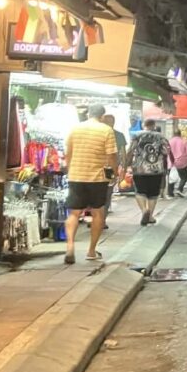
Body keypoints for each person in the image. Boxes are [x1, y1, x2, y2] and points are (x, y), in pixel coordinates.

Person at [63, 104, 118, 264]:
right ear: (102, 116)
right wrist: (114, 173)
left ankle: (70, 248)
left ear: (88, 114)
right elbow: (112, 155)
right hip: (97, 177)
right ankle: (91, 251)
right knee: (97, 213)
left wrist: (70, 169)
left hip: (76, 175)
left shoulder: (75, 129)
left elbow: (68, 153)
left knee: (74, 213)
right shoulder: (106, 130)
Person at [127, 120, 170, 226]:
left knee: (140, 192)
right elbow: (166, 152)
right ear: (154, 126)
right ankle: (150, 216)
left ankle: (144, 210)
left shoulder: (136, 135)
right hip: (156, 170)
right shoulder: (161, 136)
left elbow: (130, 150)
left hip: (140, 169)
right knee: (153, 194)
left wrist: (126, 164)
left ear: (143, 125)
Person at [100, 115, 126, 212]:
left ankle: (97, 217)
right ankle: (102, 218)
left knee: (97, 192)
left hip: (98, 167)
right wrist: (124, 168)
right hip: (110, 168)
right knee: (108, 192)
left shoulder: (98, 134)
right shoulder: (119, 135)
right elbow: (123, 154)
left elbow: (123, 154)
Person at [168, 130, 187, 197]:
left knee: (171, 177)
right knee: (184, 177)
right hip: (182, 162)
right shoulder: (184, 141)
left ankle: (170, 193)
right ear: (180, 134)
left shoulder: (169, 141)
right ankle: (179, 189)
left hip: (171, 162)